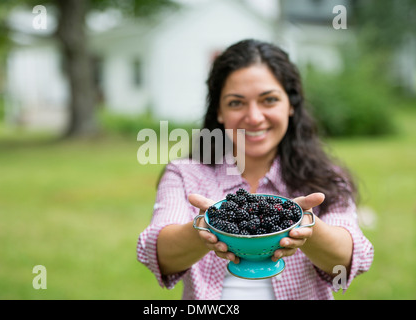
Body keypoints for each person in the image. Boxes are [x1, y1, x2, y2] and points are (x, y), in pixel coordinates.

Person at [137, 39, 374, 300]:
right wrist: (206, 229)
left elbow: (352, 259)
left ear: (291, 105)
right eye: (236, 103)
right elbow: (157, 254)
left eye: (269, 100)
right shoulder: (185, 174)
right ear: (219, 111)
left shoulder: (326, 178)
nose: (254, 117)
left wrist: (303, 225)